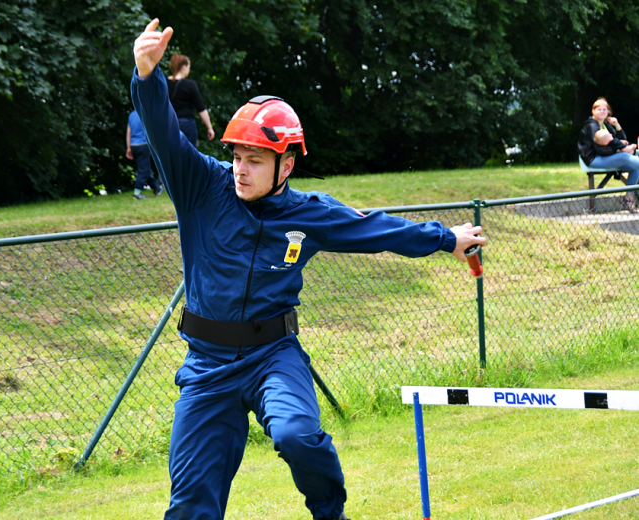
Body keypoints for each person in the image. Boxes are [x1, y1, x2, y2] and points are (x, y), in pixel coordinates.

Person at [132, 19, 486, 520]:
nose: (240, 168)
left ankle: (329, 511)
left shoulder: (308, 213)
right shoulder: (200, 186)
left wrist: (446, 239)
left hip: (273, 356)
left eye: (256, 159)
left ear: (287, 165)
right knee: (189, 507)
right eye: (237, 155)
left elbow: (375, 229)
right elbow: (166, 136)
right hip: (207, 367)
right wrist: (146, 76)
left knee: (297, 435)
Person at [577, 97, 639, 211]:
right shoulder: (592, 126)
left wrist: (617, 125)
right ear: (593, 111)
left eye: (604, 109)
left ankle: (628, 199)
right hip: (594, 159)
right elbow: (599, 149)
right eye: (599, 109)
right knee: (625, 156)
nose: (602, 111)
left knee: (635, 168)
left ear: (608, 112)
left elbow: (621, 140)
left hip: (607, 157)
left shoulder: (606, 125)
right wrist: (621, 150)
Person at [167, 52, 215, 147]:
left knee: (172, 155)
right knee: (189, 156)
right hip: (186, 124)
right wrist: (209, 127)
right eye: (189, 67)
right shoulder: (190, 85)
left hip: (169, 124)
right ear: (184, 67)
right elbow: (201, 108)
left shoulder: (164, 83)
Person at [126, 109, 163, 200]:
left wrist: (128, 148)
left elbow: (128, 132)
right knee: (144, 171)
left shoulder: (132, 115)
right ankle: (137, 193)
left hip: (134, 145)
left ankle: (156, 188)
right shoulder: (146, 113)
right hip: (144, 144)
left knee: (144, 168)